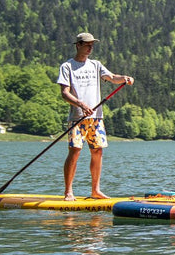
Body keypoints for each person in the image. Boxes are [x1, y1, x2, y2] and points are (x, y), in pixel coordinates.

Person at [57, 32, 134, 201]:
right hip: (77, 118)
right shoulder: (67, 66)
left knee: (97, 151)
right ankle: (68, 191)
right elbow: (64, 93)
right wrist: (81, 105)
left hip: (96, 118)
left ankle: (95, 190)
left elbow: (112, 77)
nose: (90, 48)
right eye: (87, 45)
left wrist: (124, 78)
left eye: (92, 45)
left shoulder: (96, 65)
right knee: (75, 151)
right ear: (78, 45)